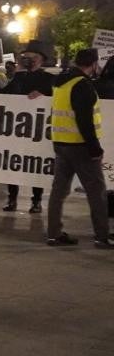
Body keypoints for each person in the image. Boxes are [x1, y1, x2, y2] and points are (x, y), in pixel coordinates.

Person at [46, 48, 110, 247]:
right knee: (96, 191)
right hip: (80, 146)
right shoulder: (83, 85)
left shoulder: (60, 82)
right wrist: (95, 149)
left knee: (59, 190)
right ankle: (102, 237)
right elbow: (85, 120)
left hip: (61, 143)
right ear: (93, 63)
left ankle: (53, 234)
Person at [0, 41, 53, 213]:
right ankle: (12, 199)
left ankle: (37, 201)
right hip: (17, 129)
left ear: (41, 59)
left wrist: (43, 93)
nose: (29, 60)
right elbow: (4, 95)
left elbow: (57, 93)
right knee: (13, 164)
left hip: (37, 130)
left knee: (35, 167)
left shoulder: (49, 78)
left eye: (32, 57)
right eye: (26, 57)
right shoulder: (19, 77)